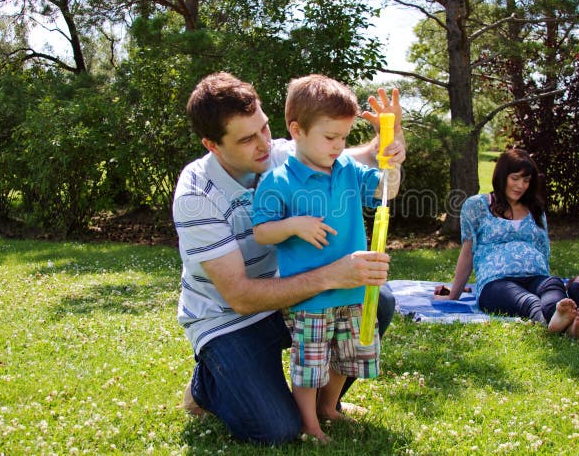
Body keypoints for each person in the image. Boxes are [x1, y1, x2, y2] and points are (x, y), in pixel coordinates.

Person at [173, 72, 405, 445]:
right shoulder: (197, 194)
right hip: (229, 318)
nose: (264, 143)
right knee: (276, 429)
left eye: (264, 128)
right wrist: (332, 275)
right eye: (247, 139)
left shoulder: (282, 152)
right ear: (212, 145)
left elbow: (365, 156)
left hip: (291, 301)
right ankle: (209, 382)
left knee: (378, 302)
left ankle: (323, 407)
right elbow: (241, 297)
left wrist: (392, 135)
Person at [251, 75, 403, 442]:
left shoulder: (348, 170)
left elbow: (385, 190)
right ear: (297, 130)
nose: (339, 146)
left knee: (345, 359)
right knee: (310, 366)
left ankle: (329, 406)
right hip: (311, 299)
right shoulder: (278, 180)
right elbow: (261, 231)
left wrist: (392, 157)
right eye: (330, 137)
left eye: (344, 138)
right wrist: (293, 224)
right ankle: (310, 423)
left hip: (353, 291)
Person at [433, 148, 579, 338]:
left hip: (535, 276)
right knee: (529, 301)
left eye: (526, 180)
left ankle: (562, 318)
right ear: (502, 176)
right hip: (497, 282)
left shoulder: (535, 209)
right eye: (515, 178)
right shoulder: (477, 206)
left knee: (553, 286)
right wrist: (453, 295)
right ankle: (561, 325)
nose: (520, 185)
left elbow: (542, 249)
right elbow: (467, 253)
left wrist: (546, 278)